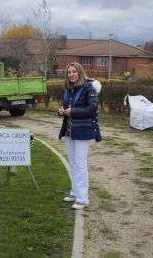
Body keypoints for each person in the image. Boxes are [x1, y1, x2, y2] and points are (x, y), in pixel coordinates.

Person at [58, 62, 101, 210]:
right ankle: (75, 192)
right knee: (73, 164)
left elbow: (92, 109)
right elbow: (67, 108)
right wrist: (62, 111)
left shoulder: (89, 88)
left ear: (80, 72)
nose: (71, 74)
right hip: (70, 131)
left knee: (80, 164)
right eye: (69, 72)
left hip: (82, 131)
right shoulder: (69, 89)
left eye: (74, 72)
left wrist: (72, 112)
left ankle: (83, 199)